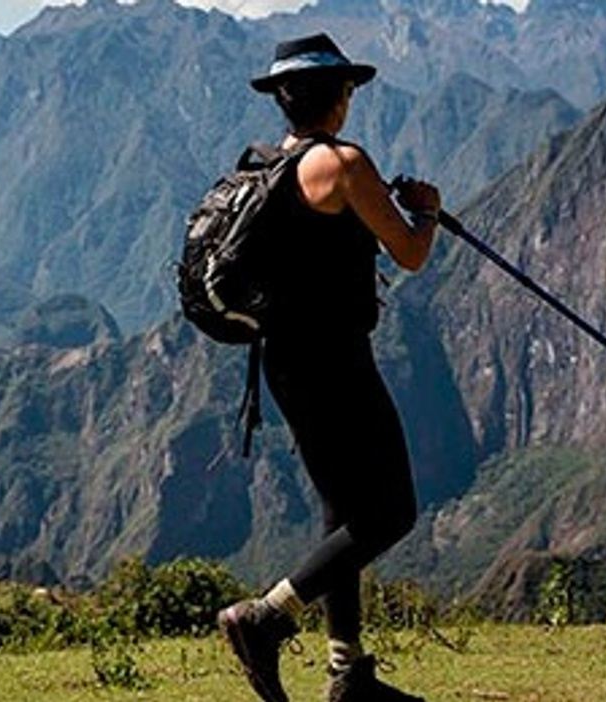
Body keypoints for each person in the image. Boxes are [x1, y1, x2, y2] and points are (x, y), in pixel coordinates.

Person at [217, 33, 440, 702]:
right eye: (347, 89)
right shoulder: (343, 164)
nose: (350, 99)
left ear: (285, 102)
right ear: (337, 97)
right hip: (337, 362)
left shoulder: (273, 168)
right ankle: (266, 616)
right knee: (391, 512)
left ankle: (348, 673)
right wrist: (426, 211)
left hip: (285, 362)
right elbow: (409, 253)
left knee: (343, 510)